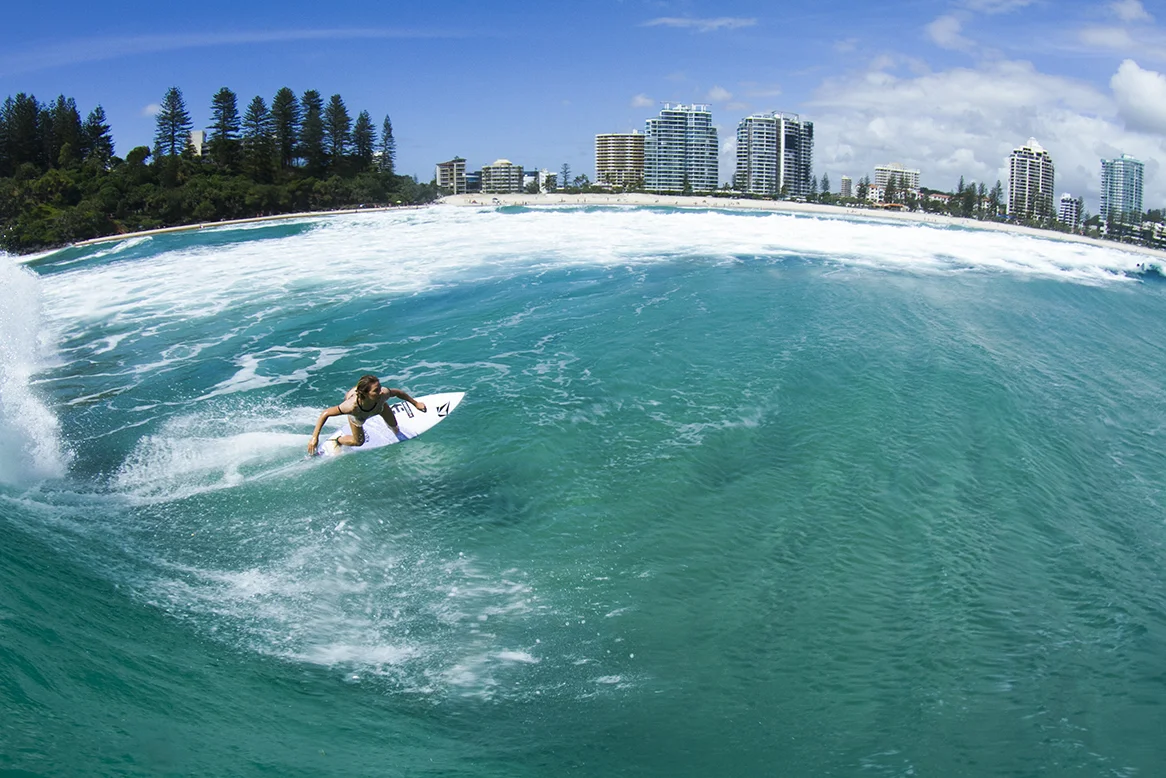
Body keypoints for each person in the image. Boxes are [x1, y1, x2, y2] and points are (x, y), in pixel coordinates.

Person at [308, 374, 427, 456]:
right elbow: (326, 413)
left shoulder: (382, 395)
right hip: (359, 415)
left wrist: (416, 403)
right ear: (365, 393)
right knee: (358, 442)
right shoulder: (351, 407)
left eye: (379, 388)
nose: (380, 391)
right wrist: (315, 437)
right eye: (376, 390)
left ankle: (394, 429)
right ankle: (338, 440)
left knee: (394, 427)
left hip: (379, 407)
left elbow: (398, 393)